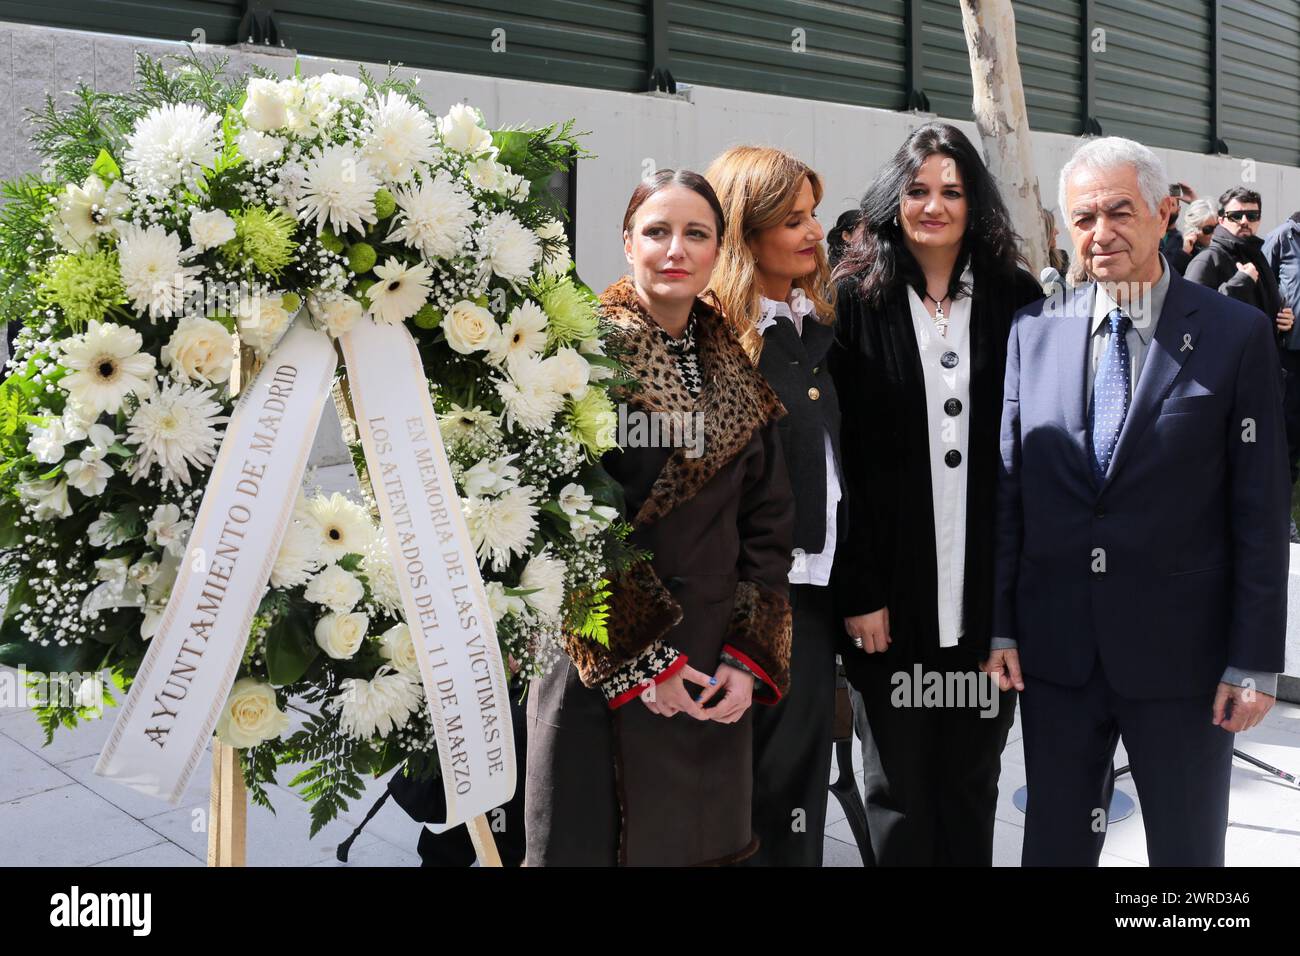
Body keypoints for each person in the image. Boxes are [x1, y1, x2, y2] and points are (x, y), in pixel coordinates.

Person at [991, 136, 1288, 866]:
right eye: (1083, 218)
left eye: (1119, 211)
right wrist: (1002, 628)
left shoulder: (1233, 334)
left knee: (1186, 857)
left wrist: (1253, 661)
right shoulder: (1033, 333)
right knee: (1054, 844)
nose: (1101, 233)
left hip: (1186, 662)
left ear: (1163, 212)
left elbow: (1259, 509)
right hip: (1059, 656)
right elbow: (1010, 492)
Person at [524, 169, 795, 866]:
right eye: (657, 231)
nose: (676, 249)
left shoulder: (735, 366)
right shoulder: (578, 356)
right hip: (603, 660)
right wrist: (644, 663)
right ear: (627, 243)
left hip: (708, 671)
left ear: (717, 252)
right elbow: (564, 523)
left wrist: (746, 657)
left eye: (696, 234)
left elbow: (768, 525)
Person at [829, 121, 1042, 865]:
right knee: (898, 795)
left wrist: (1013, 611)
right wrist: (858, 589)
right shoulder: (854, 298)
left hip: (986, 611)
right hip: (889, 607)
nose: (934, 205)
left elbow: (1031, 457)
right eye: (918, 189)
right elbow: (841, 458)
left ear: (974, 200)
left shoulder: (1018, 296)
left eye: (952, 190)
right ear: (895, 196)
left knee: (971, 786)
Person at [705, 145, 841, 866]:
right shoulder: (714, 338)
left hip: (810, 601)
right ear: (744, 233)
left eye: (814, 214)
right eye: (793, 220)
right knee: (730, 800)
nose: (814, 232)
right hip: (730, 608)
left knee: (795, 797)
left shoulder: (814, 326)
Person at [1185, 187, 1284, 324]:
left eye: (1252, 216)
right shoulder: (1208, 258)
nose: (1244, 221)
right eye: (1236, 216)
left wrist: (1282, 321)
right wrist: (1241, 283)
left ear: (1259, 219)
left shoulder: (1258, 256)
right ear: (1221, 221)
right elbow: (1190, 313)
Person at [1261, 210, 1300, 540]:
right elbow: (1261, 291)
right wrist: (1277, 318)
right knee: (1286, 439)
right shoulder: (1282, 238)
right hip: (1290, 356)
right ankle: (1281, 517)